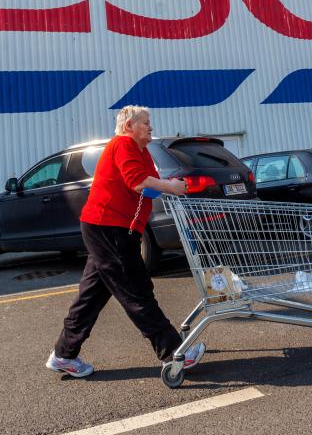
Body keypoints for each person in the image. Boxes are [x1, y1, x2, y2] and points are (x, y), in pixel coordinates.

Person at [45, 106, 206, 378]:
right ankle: (174, 353)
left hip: (113, 228)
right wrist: (170, 187)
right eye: (146, 122)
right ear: (129, 125)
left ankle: (63, 354)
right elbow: (136, 182)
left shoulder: (141, 151)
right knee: (136, 290)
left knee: (91, 295)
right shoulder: (123, 144)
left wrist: (172, 184)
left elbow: (149, 187)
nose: (151, 127)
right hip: (110, 227)